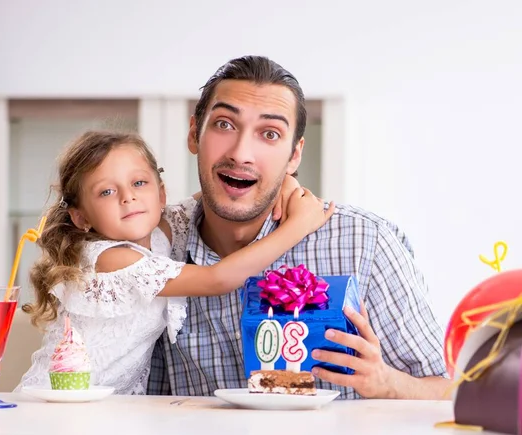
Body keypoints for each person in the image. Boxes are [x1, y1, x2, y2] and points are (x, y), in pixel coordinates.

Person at [147, 55, 450, 400]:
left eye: (270, 133)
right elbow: (142, 400)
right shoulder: (154, 250)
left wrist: (387, 382)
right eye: (224, 125)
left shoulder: (366, 242)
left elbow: (450, 391)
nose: (241, 153)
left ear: (294, 156)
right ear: (193, 134)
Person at [15, 130, 334, 394]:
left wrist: (282, 183)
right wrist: (298, 227)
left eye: (139, 183)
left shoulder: (160, 232)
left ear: (161, 193)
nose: (129, 197)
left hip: (107, 410)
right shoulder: (110, 259)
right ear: (81, 216)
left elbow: (223, 196)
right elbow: (217, 279)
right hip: (59, 405)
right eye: (107, 191)